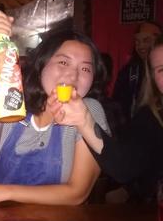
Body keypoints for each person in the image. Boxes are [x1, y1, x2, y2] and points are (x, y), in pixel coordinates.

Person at [0, 11, 109, 205]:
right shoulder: (14, 99)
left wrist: (4, 192)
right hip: (3, 218)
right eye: (63, 62)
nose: (73, 75)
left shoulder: (89, 111)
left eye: (86, 68)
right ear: (42, 65)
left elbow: (77, 193)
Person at [50, 38, 163, 203]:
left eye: (85, 68)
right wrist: (84, 121)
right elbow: (123, 167)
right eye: (161, 70)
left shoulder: (101, 107)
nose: (72, 75)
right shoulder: (150, 117)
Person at [113, 21, 162, 122]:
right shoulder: (128, 72)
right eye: (137, 42)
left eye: (146, 40)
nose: (141, 46)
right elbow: (118, 105)